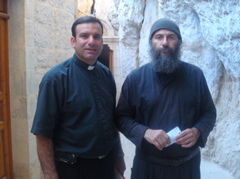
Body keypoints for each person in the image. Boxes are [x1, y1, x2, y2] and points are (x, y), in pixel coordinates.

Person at [116, 18, 216, 179]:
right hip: (148, 167)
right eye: (159, 37)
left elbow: (209, 112)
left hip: (187, 167)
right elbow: (121, 117)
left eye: (171, 37)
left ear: (179, 42)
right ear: (151, 42)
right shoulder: (135, 78)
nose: (165, 42)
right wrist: (145, 132)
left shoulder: (195, 75)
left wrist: (198, 131)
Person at [31, 16, 125, 179]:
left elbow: (111, 122)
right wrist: (49, 173)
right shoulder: (55, 79)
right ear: (73, 41)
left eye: (96, 36)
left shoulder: (106, 74)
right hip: (74, 169)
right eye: (84, 36)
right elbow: (43, 133)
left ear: (102, 42)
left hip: (107, 165)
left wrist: (119, 155)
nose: (91, 41)